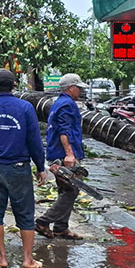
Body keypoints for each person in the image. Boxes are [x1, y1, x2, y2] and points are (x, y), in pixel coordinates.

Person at [0, 69, 46, 268]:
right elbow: (34, 141)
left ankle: (1, 257)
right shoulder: (26, 108)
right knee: (25, 214)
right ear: (14, 85)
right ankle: (28, 260)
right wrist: (40, 167)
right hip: (20, 168)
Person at [36, 73, 87, 240]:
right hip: (63, 155)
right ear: (70, 88)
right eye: (78, 88)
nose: (80, 91)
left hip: (56, 153)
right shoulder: (66, 105)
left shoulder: (59, 103)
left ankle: (61, 227)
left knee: (65, 190)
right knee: (71, 190)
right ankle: (44, 221)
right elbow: (64, 131)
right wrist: (70, 154)